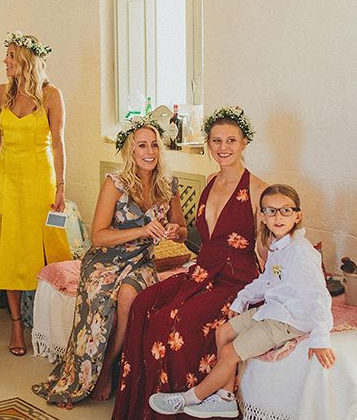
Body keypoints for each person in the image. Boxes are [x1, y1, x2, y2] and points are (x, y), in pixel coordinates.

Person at [113, 106, 268, 420]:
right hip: (201, 270)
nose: (223, 147)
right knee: (144, 303)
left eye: (231, 141)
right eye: (216, 141)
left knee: (179, 319)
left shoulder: (258, 189)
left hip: (236, 280)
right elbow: (198, 235)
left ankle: (184, 407)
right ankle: (143, 407)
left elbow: (266, 250)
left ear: (244, 144)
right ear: (208, 145)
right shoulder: (210, 181)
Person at [33, 117, 187, 408]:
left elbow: (181, 229)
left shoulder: (169, 185)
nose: (149, 151)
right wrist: (143, 230)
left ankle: (105, 371)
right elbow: (98, 236)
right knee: (101, 305)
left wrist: (173, 231)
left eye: (154, 144)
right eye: (142, 145)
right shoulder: (115, 184)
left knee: (129, 297)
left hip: (142, 261)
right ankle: (86, 375)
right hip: (105, 260)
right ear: (131, 150)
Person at [149, 184, 335, 418]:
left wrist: (320, 337)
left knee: (229, 353)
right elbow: (267, 279)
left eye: (285, 210)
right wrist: (241, 300)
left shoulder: (302, 252)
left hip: (288, 319)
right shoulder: (278, 246)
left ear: (298, 215)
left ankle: (189, 397)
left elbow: (319, 296)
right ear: (263, 217)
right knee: (223, 332)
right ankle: (226, 398)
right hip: (272, 310)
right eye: (270, 211)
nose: (278, 217)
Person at [0, 31, 71, 357]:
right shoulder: (2, 93)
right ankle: (17, 323)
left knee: (50, 249)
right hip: (7, 180)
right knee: (11, 251)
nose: (4, 61)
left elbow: (59, 143)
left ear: (26, 61)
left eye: (10, 56)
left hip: (40, 181)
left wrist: (61, 186)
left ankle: (55, 323)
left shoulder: (51, 95)